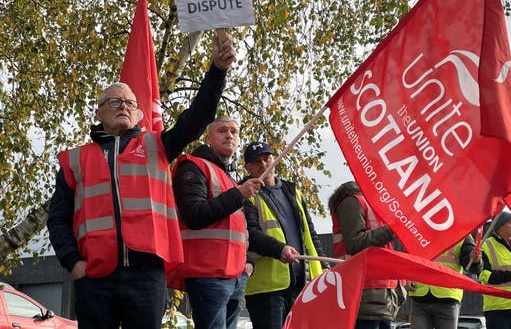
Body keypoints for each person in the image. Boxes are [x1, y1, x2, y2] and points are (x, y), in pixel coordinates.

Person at [46, 35, 237, 329]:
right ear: (98, 113)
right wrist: (73, 263)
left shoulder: (157, 145)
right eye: (114, 101)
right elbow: (58, 218)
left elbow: (198, 117)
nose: (123, 106)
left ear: (138, 113)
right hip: (94, 276)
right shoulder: (74, 160)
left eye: (129, 103)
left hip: (146, 275)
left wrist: (217, 70)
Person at [169, 116, 263, 329]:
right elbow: (193, 215)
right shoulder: (193, 166)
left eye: (234, 131)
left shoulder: (228, 178)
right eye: (222, 131)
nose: (229, 135)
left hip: (234, 275)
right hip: (207, 274)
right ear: (208, 138)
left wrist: (247, 265)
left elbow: (240, 230)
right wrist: (238, 194)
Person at [241, 141, 329, 329]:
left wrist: (323, 266)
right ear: (248, 167)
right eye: (257, 162)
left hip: (302, 285)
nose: (263, 164)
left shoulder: (292, 190)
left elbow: (309, 233)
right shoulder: (245, 193)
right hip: (266, 289)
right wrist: (280, 249)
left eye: (267, 158)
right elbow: (251, 234)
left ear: (275, 160)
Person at [328, 181, 405, 329]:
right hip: (364, 296)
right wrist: (392, 229)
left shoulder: (375, 203)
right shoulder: (351, 201)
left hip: (381, 299)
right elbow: (356, 245)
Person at [407, 235, 483, 329]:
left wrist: (475, 260)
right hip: (420, 297)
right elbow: (409, 255)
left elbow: (473, 267)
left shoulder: (462, 234)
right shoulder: (419, 228)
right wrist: (406, 276)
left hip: (447, 299)